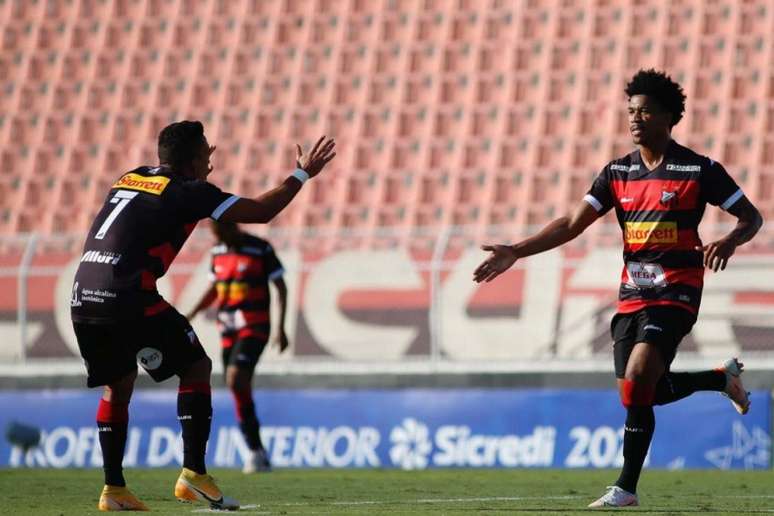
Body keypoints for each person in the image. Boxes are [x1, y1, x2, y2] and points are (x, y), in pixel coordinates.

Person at [473, 69, 763, 508]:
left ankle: (625, 488)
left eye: (645, 111)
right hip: (632, 293)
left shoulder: (700, 170)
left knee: (641, 374)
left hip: (679, 290)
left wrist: (729, 240)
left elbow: (751, 217)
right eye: (631, 111)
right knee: (639, 392)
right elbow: (572, 224)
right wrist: (516, 250)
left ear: (669, 116)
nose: (635, 119)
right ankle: (721, 380)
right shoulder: (616, 173)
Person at [70, 121, 335, 511]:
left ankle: (114, 489)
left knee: (119, 383)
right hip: (126, 294)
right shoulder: (189, 191)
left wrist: (192, 167)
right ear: (196, 160)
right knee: (197, 366)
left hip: (82, 293)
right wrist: (302, 173)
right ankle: (194, 475)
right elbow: (262, 211)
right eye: (205, 152)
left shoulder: (132, 176)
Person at [187, 220, 288, 474]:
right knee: (238, 388)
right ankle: (257, 450)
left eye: (219, 229)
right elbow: (214, 287)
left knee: (235, 379)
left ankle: (254, 452)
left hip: (255, 326)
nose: (217, 235)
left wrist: (281, 327)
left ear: (231, 225)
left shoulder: (259, 248)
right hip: (227, 329)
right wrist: (192, 313)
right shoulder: (218, 252)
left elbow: (281, 287)